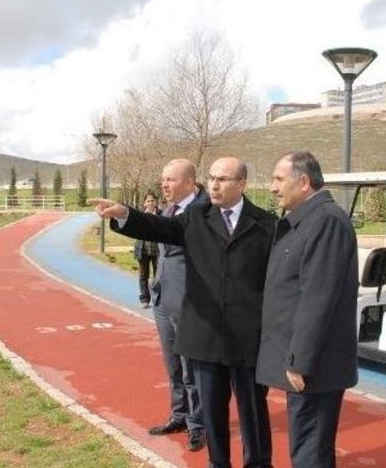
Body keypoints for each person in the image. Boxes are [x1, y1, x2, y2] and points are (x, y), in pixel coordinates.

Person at [95, 157, 275, 468]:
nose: (215, 185)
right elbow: (159, 227)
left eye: (223, 179)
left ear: (242, 184)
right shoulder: (196, 216)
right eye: (212, 178)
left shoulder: (267, 223)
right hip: (205, 337)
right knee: (212, 413)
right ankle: (218, 462)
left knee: (253, 412)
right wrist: (126, 214)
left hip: (248, 338)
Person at [256, 152, 358, 468]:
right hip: (306, 359)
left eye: (278, 179)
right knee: (305, 447)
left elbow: (318, 297)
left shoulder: (325, 222)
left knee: (310, 452)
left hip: (315, 364)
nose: (273, 187)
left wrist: (300, 361)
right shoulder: (307, 220)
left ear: (303, 182)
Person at [138, 161, 207, 451]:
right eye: (163, 179)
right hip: (163, 300)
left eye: (171, 179)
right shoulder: (168, 211)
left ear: (191, 182)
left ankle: (197, 424)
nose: (164, 185)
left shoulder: (203, 212)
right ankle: (179, 415)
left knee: (192, 367)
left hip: (189, 303)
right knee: (173, 366)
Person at [133, 191, 160, 309]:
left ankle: (158, 298)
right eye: (148, 201)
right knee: (144, 275)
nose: (150, 203)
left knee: (158, 276)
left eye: (152, 200)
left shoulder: (161, 215)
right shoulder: (140, 216)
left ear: (156, 203)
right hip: (143, 249)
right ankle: (145, 299)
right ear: (144, 203)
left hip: (157, 250)